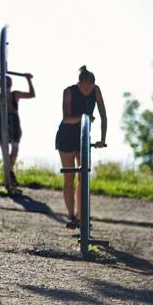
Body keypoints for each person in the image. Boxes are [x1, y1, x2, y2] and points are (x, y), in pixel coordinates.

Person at [55, 65, 107, 229]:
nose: (88, 90)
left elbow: (104, 116)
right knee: (69, 177)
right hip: (66, 137)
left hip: (83, 138)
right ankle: (71, 216)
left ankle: (82, 215)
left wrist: (102, 139)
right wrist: (84, 117)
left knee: (83, 178)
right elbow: (66, 118)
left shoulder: (96, 90)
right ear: (79, 83)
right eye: (85, 87)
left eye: (90, 87)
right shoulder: (69, 91)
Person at [0, 73, 35, 186]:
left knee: (14, 149)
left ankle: (9, 173)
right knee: (5, 151)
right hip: (0, 123)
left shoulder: (15, 95)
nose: (6, 85)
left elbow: (31, 94)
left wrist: (28, 80)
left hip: (13, 123)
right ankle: (9, 175)